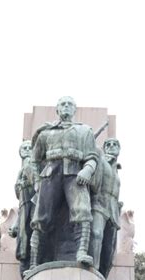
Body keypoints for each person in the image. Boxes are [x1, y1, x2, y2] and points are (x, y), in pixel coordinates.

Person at [29, 96, 99, 270]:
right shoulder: (45, 133)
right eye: (62, 104)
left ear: (74, 109)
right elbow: (34, 161)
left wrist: (87, 170)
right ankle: (34, 262)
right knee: (41, 218)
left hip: (75, 173)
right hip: (50, 175)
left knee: (82, 211)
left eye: (70, 104)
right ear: (57, 110)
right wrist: (37, 182)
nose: (66, 106)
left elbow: (92, 157)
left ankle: (81, 252)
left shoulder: (84, 132)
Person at [90, 138, 121, 278]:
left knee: (109, 248)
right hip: (99, 204)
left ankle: (102, 276)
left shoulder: (117, 168)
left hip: (113, 210)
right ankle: (93, 270)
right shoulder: (101, 161)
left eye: (115, 144)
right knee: (96, 235)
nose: (111, 146)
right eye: (108, 144)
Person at [9, 139, 36, 277]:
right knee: (22, 242)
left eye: (29, 147)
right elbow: (19, 199)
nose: (26, 150)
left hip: (35, 206)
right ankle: (25, 275)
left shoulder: (36, 166)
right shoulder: (21, 171)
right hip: (24, 209)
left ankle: (33, 265)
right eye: (23, 148)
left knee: (34, 237)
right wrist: (15, 224)